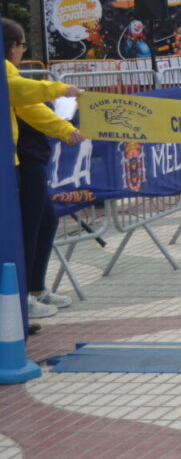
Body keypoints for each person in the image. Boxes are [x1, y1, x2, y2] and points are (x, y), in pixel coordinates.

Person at [4, 18, 82, 327]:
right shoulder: (6, 73)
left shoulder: (9, 71)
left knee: (44, 219)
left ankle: (31, 292)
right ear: (12, 47)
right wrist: (60, 88)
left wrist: (64, 129)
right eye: (22, 46)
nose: (23, 52)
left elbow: (29, 107)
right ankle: (19, 300)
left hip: (14, 161)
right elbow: (17, 90)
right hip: (13, 160)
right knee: (23, 228)